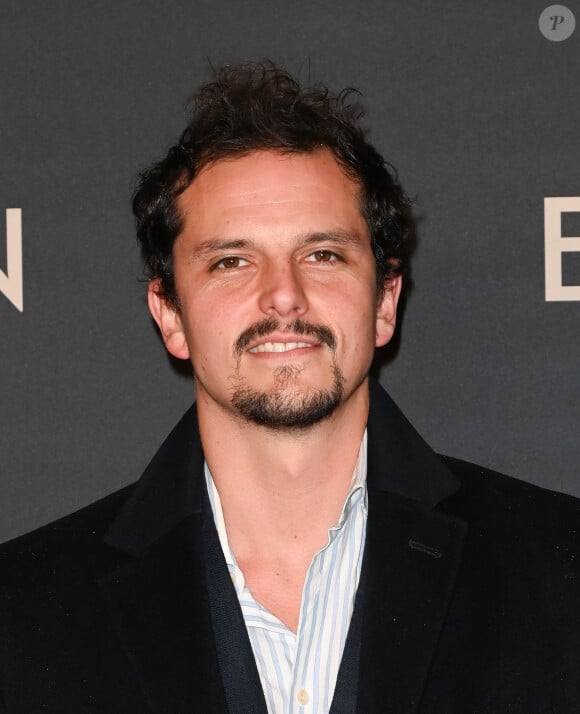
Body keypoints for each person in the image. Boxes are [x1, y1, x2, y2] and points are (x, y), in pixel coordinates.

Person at [1, 62, 579, 714]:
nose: (283, 295)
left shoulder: (558, 575)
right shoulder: (23, 612)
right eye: (232, 261)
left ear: (385, 300)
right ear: (170, 316)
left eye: (323, 255)